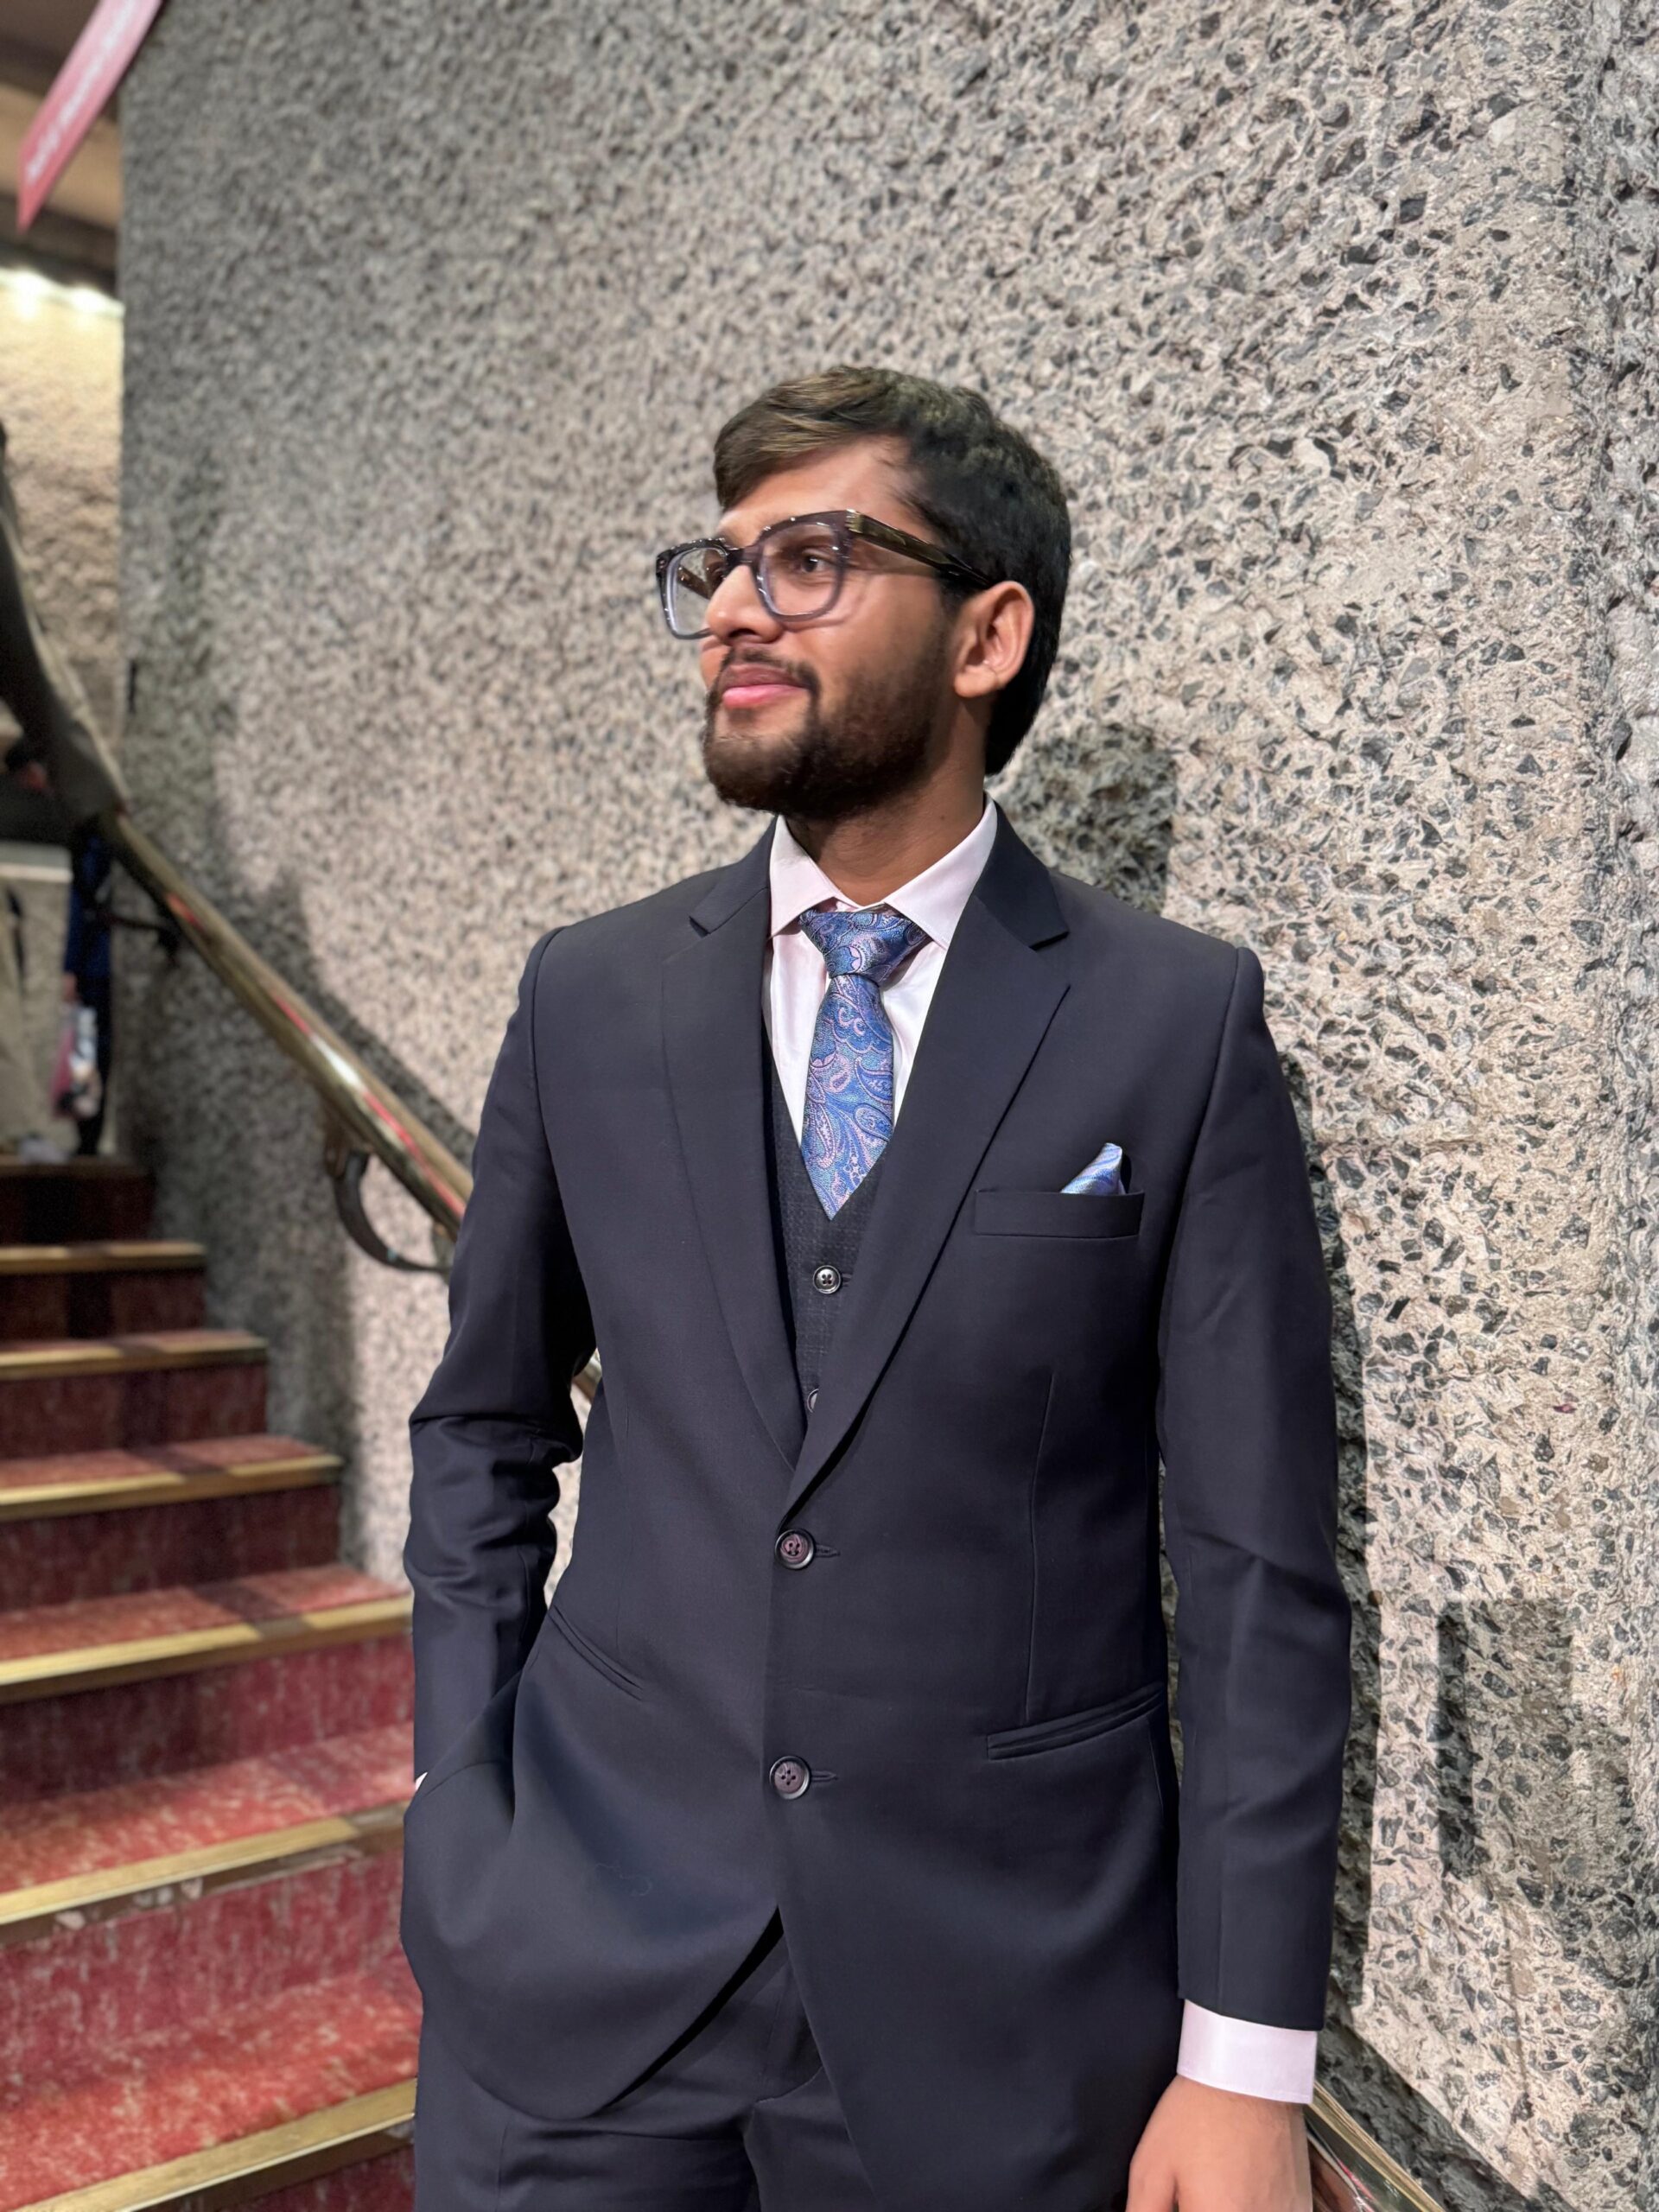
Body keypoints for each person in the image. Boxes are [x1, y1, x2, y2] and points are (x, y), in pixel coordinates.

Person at [401, 365, 1352, 2212]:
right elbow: (484, 1425)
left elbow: (1255, 1567)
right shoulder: (589, 997)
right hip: (578, 1983)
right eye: (724, 563)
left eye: (816, 556)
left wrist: (1245, 2055)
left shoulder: (1172, 1022)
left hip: (999, 2021)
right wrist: (462, 1801)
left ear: (989, 629)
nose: (739, 606)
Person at [0, 414, 127, 1157]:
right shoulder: (89, 843)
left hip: (95, 974)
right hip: (89, 975)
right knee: (77, 1059)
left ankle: (68, 1139)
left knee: (84, 1060)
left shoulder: (89, 850)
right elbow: (16, 630)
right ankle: (61, 1139)